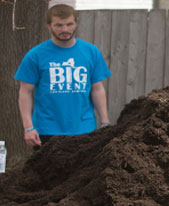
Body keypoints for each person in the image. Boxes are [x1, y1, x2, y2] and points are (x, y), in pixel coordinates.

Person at [15, 4, 112, 148]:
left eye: (69, 24)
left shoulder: (91, 52)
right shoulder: (35, 55)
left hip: (85, 129)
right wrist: (28, 128)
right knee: (47, 171)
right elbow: (25, 92)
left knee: (84, 171)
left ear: (76, 23)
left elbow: (97, 89)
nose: (65, 29)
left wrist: (105, 122)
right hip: (47, 130)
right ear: (49, 26)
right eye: (59, 25)